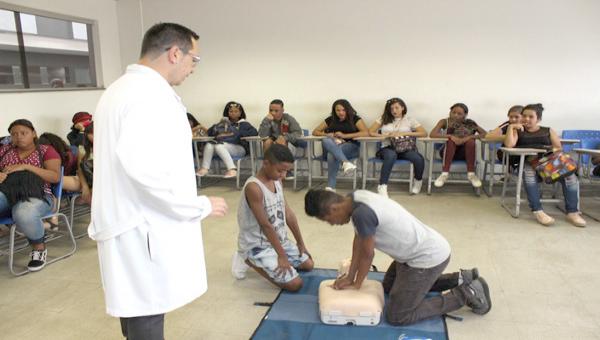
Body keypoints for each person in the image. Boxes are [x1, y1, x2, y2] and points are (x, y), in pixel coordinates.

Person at [89, 23, 228, 340]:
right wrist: (198, 205)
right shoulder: (148, 96)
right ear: (175, 52)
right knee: (146, 310)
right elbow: (144, 171)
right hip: (142, 225)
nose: (193, 68)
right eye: (194, 60)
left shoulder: (121, 89)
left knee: (137, 307)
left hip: (131, 221)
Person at [304, 189, 491, 326]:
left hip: (426, 259)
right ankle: (459, 279)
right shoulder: (354, 197)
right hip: (413, 255)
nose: (331, 224)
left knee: (398, 315)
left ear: (334, 208)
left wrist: (357, 284)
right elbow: (358, 241)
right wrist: (350, 276)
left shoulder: (362, 214)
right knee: (388, 288)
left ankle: (468, 292)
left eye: (328, 220)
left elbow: (368, 254)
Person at [233, 144, 313, 291]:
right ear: (266, 163)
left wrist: (300, 242)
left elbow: (288, 213)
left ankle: (268, 259)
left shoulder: (277, 180)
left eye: (286, 171)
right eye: (280, 170)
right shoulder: (254, 188)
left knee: (308, 264)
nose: (283, 175)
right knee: (295, 285)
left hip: (278, 240)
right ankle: (247, 258)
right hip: (258, 245)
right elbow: (266, 225)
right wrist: (281, 256)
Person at [504, 103, 586, 227]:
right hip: (527, 163)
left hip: (548, 163)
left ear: (538, 119)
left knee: (570, 177)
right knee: (529, 174)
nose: (526, 119)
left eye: (531, 116)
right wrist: (511, 128)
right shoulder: (518, 130)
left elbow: (558, 148)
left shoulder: (547, 130)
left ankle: (572, 212)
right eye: (524, 116)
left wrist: (545, 154)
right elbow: (509, 145)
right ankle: (538, 211)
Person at [0, 119, 61, 271]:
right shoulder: (4, 150)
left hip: (39, 195)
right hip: (8, 193)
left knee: (23, 211)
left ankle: (38, 248)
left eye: (23, 133)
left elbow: (55, 177)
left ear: (33, 133)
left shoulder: (46, 150)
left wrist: (25, 166)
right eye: (14, 134)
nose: (19, 137)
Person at [368, 97, 427, 196]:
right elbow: (370, 132)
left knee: (418, 158)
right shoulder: (383, 119)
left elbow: (424, 133)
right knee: (391, 155)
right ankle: (382, 186)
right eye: (391, 109)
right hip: (387, 148)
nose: (394, 111)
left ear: (403, 108)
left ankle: (418, 182)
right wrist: (385, 135)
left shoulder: (409, 120)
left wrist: (403, 133)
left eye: (396, 108)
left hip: (404, 149)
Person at [312, 99, 369, 191]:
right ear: (334, 111)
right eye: (338, 110)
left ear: (348, 110)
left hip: (351, 146)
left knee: (331, 154)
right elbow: (315, 131)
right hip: (334, 145)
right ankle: (345, 162)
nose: (341, 112)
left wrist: (345, 135)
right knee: (326, 140)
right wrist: (327, 134)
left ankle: (331, 187)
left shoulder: (355, 119)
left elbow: (366, 133)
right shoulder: (330, 119)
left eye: (343, 110)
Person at [430, 103, 487, 188]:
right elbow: (432, 134)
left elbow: (485, 134)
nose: (455, 115)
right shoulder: (444, 121)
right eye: (453, 112)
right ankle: (444, 174)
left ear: (465, 115)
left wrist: (469, 137)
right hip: (447, 152)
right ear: (450, 112)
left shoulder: (469, 123)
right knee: (450, 141)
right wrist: (450, 136)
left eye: (459, 114)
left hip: (464, 154)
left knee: (471, 141)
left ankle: (471, 174)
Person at [196, 101, 258, 178]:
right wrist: (219, 125)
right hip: (222, 147)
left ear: (240, 113)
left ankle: (232, 169)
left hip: (239, 148)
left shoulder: (244, 124)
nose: (233, 113)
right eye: (231, 111)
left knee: (218, 146)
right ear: (227, 112)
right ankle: (205, 168)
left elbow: (254, 132)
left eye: (236, 111)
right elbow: (209, 132)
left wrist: (237, 132)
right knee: (209, 144)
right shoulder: (222, 124)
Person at [258, 99, 307, 179]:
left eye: (276, 110)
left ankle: (286, 170)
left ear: (282, 110)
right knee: (267, 142)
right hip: (274, 144)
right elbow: (262, 135)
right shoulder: (267, 119)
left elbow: (298, 132)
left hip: (291, 144)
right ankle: (268, 168)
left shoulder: (288, 118)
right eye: (271, 110)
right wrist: (266, 121)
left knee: (281, 141)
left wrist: (285, 137)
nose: (273, 113)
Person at [78, 123, 94, 204]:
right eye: (90, 133)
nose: (92, 136)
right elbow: (80, 169)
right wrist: (85, 186)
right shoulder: (83, 149)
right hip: (88, 179)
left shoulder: (109, 147)